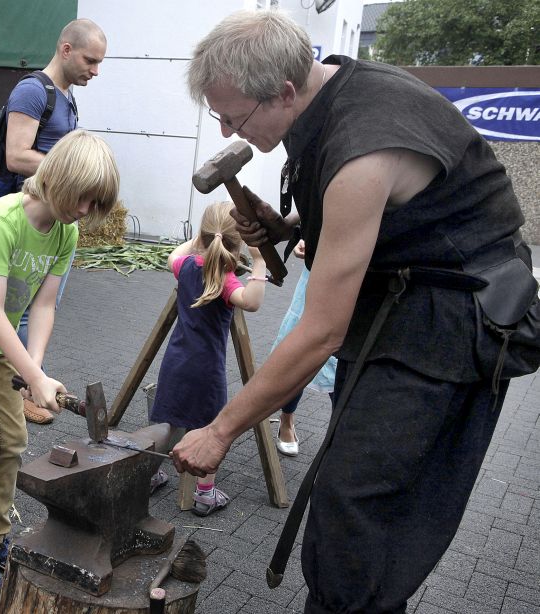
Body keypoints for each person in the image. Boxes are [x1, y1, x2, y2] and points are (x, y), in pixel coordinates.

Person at [170, 9, 535, 614]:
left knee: (360, 506)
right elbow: (374, 211)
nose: (227, 129)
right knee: (348, 496)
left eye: (234, 117)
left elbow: (320, 333)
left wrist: (220, 429)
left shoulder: (364, 145)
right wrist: (289, 224)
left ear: (285, 91)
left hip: (451, 325)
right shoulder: (327, 90)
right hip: (399, 302)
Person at [0, 130, 119, 599]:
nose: (85, 210)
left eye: (95, 203)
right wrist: (33, 376)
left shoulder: (66, 232)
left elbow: (45, 305)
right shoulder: (1, 221)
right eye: (83, 197)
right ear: (59, 179)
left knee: (13, 439)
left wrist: (36, 370)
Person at [4, 17, 107, 425]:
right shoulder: (33, 91)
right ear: (66, 50)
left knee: (44, 305)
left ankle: (28, 382)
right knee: (24, 308)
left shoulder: (65, 96)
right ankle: (24, 390)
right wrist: (72, 173)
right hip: (31, 221)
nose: (95, 71)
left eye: (99, 63)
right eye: (90, 60)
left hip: (57, 220)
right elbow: (16, 155)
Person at [147, 201, 267, 516]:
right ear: (237, 245)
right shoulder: (225, 279)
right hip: (206, 370)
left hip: (175, 362)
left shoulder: (186, 267)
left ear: (202, 236)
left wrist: (198, 240)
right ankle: (204, 493)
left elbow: (172, 256)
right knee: (207, 428)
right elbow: (251, 302)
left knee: (170, 421)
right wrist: (258, 261)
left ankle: (150, 474)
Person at [270, 240, 336, 457]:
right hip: (317, 273)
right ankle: (287, 419)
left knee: (343, 360)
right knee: (298, 353)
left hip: (361, 276)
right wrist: (308, 237)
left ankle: (339, 431)